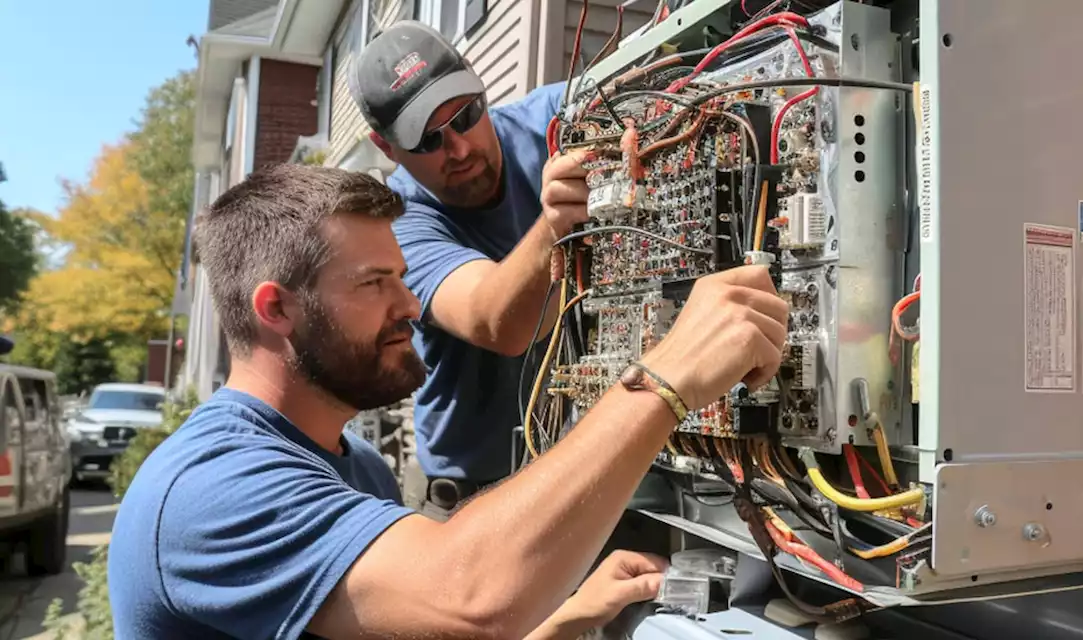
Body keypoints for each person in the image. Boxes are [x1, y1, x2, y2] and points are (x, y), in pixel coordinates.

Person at [106, 164, 790, 639]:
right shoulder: (209, 487)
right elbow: (469, 600)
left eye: (403, 278)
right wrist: (666, 378)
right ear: (276, 309)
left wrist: (567, 615)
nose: (409, 305)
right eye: (376, 283)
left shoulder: (357, 466)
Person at [349, 21, 586, 515]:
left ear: (479, 84)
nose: (458, 148)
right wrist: (554, 224)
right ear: (387, 146)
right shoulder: (400, 223)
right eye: (427, 140)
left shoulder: (551, 119)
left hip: (580, 470)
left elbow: (648, 88)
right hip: (472, 494)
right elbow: (497, 320)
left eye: (466, 115)